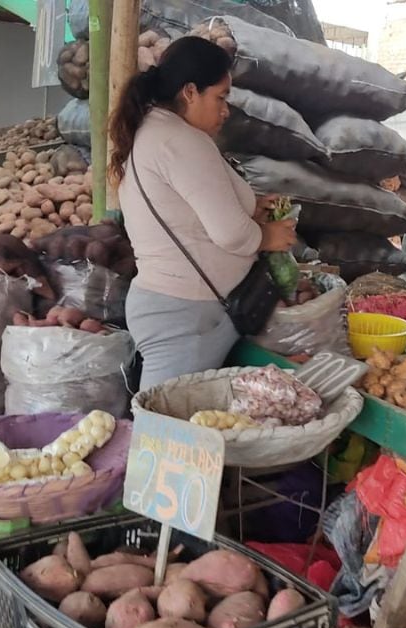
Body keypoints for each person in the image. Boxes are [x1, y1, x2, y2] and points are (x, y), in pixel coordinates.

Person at [110, 37, 296, 390]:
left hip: (178, 310)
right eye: (221, 97)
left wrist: (250, 206)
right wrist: (270, 237)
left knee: (173, 425)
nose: (225, 110)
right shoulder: (180, 141)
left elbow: (190, 208)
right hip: (184, 316)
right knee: (166, 434)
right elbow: (232, 234)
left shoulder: (159, 131)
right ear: (190, 92)